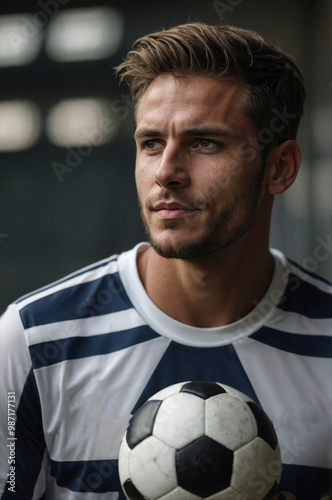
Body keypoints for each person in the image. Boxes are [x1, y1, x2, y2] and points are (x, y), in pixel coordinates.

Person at [0, 21, 331, 500]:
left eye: (204, 143)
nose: (167, 172)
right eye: (151, 143)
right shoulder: (31, 345)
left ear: (279, 168)